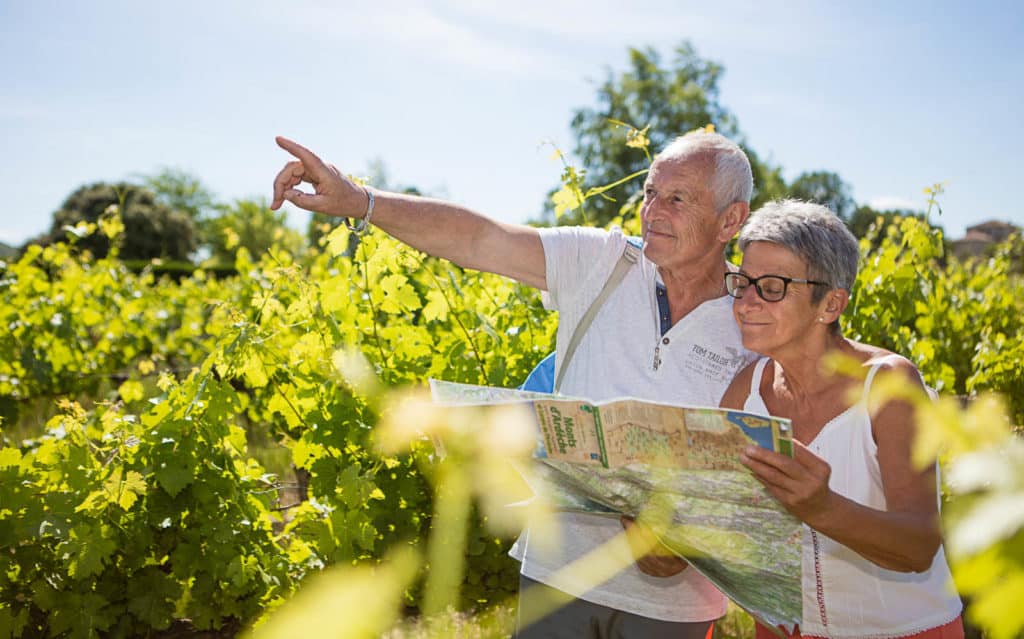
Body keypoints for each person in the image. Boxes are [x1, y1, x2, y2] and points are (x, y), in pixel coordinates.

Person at [271, 131, 758, 638]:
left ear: (731, 219)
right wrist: (359, 201)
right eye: (651, 193)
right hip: (557, 575)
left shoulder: (756, 318)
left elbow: (764, 464)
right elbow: (480, 238)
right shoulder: (603, 263)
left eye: (678, 199)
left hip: (676, 605)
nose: (654, 211)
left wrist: (691, 538)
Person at [718, 200, 964, 638]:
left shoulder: (889, 386)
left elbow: (920, 545)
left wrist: (823, 508)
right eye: (742, 282)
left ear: (830, 305)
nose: (745, 303)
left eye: (771, 286)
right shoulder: (744, 391)